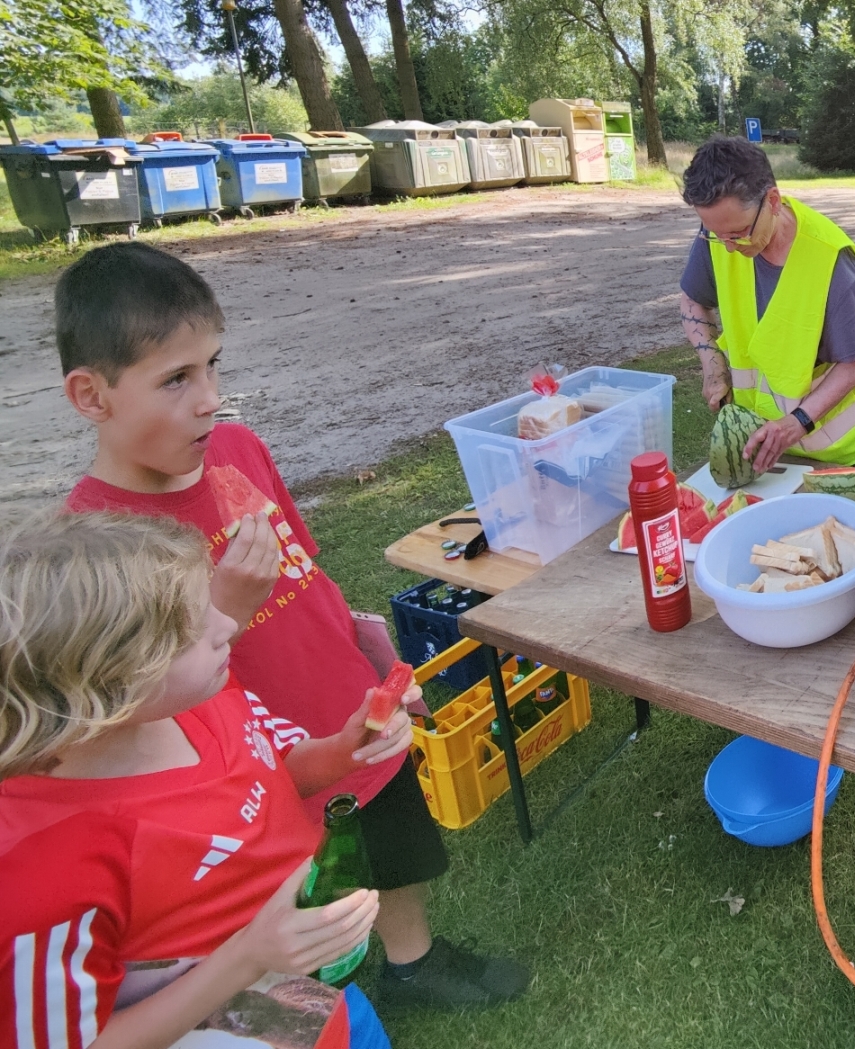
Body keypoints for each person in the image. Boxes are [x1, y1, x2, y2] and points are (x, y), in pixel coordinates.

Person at [53, 242, 529, 1010]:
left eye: (213, 366)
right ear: (91, 395)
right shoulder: (96, 542)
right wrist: (228, 608)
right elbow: (134, 705)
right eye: (176, 379)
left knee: (397, 841)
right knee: (303, 908)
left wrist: (370, 654)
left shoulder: (235, 449)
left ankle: (413, 960)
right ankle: (318, 1009)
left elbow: (308, 572)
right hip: (258, 777)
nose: (210, 398)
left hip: (347, 709)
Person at [0, 512, 401, 1049]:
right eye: (192, 628)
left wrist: (342, 752)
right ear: (104, 680)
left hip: (323, 999)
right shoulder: (38, 870)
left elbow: (272, 772)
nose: (228, 625)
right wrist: (248, 957)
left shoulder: (208, 695)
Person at [678, 136, 855, 471]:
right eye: (714, 233)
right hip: (766, 442)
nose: (729, 247)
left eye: (738, 234)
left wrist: (797, 423)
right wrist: (712, 363)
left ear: (773, 201)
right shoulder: (721, 235)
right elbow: (692, 300)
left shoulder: (832, 260)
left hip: (843, 449)